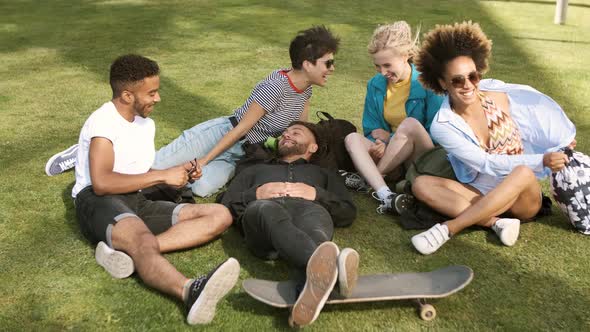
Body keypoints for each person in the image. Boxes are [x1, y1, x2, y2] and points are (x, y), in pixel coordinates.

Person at [46, 26, 340, 199]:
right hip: (222, 134)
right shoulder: (276, 84)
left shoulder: (306, 90)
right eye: (328, 63)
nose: (332, 69)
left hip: (245, 153)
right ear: (306, 63)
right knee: (153, 167)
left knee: (198, 188)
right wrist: (203, 159)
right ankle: (82, 154)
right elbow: (239, 129)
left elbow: (298, 127)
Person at [72, 54, 240, 324]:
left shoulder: (145, 124)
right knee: (141, 238)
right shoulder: (103, 123)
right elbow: (102, 182)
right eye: (151, 92)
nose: (157, 98)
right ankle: (189, 291)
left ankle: (131, 253)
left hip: (135, 199)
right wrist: (161, 176)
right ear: (127, 95)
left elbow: (138, 174)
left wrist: (178, 174)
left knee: (220, 215)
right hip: (97, 200)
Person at [409, 21, 576, 254]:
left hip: (521, 197)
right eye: (457, 80)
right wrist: (544, 159)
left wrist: (562, 143)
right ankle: (495, 222)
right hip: (479, 192)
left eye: (473, 76)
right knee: (421, 184)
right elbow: (485, 163)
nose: (467, 85)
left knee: (523, 171)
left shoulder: (498, 94)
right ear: (442, 82)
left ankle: (448, 228)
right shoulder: (442, 125)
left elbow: (538, 114)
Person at [219, 122, 358, 327]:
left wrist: (316, 194)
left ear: (313, 147)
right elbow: (225, 204)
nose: (287, 135)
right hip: (263, 221)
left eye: (296, 132)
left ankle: (311, 286)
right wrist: (255, 194)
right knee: (265, 209)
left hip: (310, 211)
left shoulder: (324, 174)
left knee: (316, 229)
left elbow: (348, 211)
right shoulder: (254, 169)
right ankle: (332, 272)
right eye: (284, 133)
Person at [343, 21, 443, 214]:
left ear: (405, 56)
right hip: (392, 157)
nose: (382, 72)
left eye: (387, 65)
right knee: (352, 138)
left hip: (423, 157)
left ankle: (368, 179)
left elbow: (439, 134)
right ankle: (385, 195)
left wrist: (390, 138)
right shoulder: (375, 84)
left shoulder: (429, 82)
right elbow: (372, 128)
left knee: (410, 124)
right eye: (377, 66)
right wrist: (379, 143)